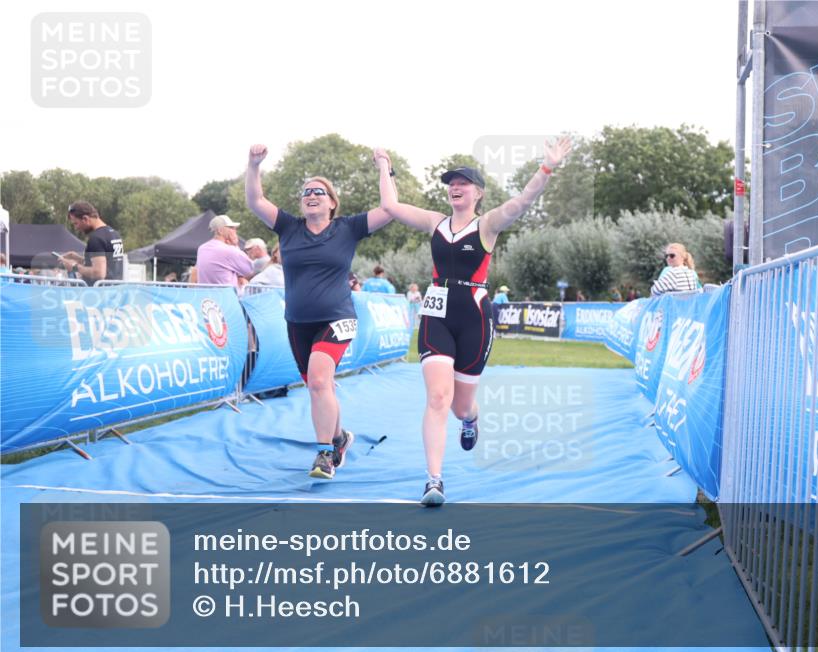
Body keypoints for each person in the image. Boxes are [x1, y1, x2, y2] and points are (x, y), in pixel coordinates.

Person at [374, 136, 572, 505]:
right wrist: (384, 165)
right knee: (437, 396)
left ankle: (471, 417)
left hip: (474, 315)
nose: (455, 188)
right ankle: (434, 480)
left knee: (459, 406)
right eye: (451, 184)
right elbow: (390, 204)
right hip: (436, 312)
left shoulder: (488, 224)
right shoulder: (435, 222)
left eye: (462, 183)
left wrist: (547, 167)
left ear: (478, 193)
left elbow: (522, 201)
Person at [245, 144, 394, 480]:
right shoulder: (288, 227)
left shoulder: (348, 228)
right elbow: (255, 201)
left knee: (320, 380)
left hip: (338, 318)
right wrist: (254, 165)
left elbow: (390, 208)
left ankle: (325, 455)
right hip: (298, 322)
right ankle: (340, 438)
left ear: (332, 202)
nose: (311, 195)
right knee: (318, 386)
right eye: (306, 192)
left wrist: (384, 165)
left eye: (319, 192)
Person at [58, 201, 124, 285]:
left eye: (76, 223)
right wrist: (78, 258)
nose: (76, 228)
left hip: (98, 294)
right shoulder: (114, 233)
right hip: (115, 291)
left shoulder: (96, 238)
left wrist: (74, 267)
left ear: (85, 218)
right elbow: (108, 264)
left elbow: (99, 273)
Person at [195, 215, 254, 289]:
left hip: (207, 297)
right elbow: (251, 270)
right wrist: (235, 245)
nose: (235, 230)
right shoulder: (229, 250)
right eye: (231, 228)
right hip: (226, 297)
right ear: (220, 230)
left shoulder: (202, 248)